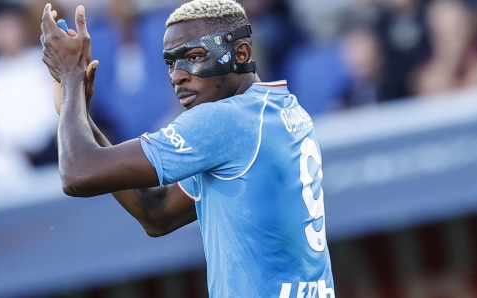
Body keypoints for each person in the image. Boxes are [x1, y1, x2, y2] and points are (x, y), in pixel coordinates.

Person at [40, 0, 334, 297]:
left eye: (193, 56)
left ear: (241, 53)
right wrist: (80, 114)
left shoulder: (223, 121)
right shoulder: (284, 109)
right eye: (171, 62)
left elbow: (78, 173)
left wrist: (70, 75)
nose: (177, 75)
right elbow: (158, 213)